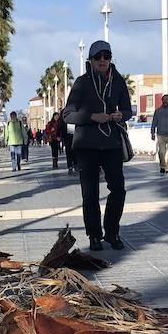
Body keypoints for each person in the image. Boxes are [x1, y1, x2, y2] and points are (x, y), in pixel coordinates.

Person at [62, 40, 134, 251]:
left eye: (106, 56)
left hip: (111, 143)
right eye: (98, 57)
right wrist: (92, 116)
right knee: (90, 194)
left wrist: (122, 115)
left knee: (118, 189)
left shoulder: (118, 82)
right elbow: (68, 114)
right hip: (87, 144)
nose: (103, 60)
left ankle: (112, 232)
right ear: (91, 60)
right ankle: (94, 235)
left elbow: (128, 110)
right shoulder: (82, 83)